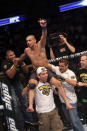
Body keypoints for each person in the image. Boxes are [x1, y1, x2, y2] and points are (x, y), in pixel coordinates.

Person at [20, 19, 74, 112]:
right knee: (32, 85)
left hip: (45, 70)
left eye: (29, 40)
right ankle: (30, 106)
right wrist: (17, 61)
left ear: (34, 40)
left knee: (58, 84)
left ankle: (68, 104)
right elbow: (22, 57)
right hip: (36, 71)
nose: (28, 42)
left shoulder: (40, 45)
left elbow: (44, 35)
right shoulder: (27, 50)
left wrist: (43, 27)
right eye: (26, 41)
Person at [1, 50, 35, 131]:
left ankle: (30, 123)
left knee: (24, 103)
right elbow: (10, 75)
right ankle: (20, 126)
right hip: (9, 86)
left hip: (18, 83)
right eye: (10, 55)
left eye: (13, 54)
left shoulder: (17, 61)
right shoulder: (5, 64)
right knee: (15, 106)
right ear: (7, 57)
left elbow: (26, 71)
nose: (12, 56)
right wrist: (15, 65)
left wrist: (22, 63)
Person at [47, 58, 85, 131]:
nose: (60, 68)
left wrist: (63, 79)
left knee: (75, 121)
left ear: (67, 66)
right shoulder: (57, 69)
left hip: (71, 100)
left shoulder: (70, 73)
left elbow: (75, 84)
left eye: (62, 66)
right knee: (70, 121)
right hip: (63, 100)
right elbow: (46, 64)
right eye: (59, 66)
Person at [27, 67, 63, 131]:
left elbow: (56, 93)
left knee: (58, 128)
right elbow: (28, 93)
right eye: (43, 74)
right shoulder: (35, 84)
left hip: (53, 110)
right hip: (42, 113)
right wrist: (30, 105)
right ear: (38, 76)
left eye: (46, 73)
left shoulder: (50, 82)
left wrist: (59, 85)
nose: (46, 75)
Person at [76, 53, 87, 124]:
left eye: (83, 60)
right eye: (80, 60)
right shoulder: (79, 71)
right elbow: (75, 79)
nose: (81, 62)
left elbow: (81, 84)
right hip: (84, 96)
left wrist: (82, 84)